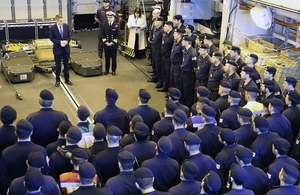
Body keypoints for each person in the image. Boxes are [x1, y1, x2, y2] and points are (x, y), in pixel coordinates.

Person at [0, 119, 48, 195]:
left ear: (15, 133)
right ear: (31, 132)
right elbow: (45, 172)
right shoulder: (41, 150)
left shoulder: (6, 152)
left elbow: (3, 179)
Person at [215, 129, 243, 193]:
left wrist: (223, 190)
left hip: (228, 185)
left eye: (219, 137)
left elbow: (219, 175)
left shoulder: (220, 156)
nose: (218, 137)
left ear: (224, 142)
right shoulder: (241, 148)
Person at [50, 14, 72, 87]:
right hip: (58, 49)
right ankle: (57, 80)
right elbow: (52, 38)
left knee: (66, 65)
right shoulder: (53, 28)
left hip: (66, 49)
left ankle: (67, 79)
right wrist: (59, 42)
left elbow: (69, 36)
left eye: (62, 20)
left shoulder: (66, 26)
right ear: (57, 21)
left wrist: (67, 41)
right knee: (58, 66)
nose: (62, 22)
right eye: (60, 21)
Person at [101, 11, 119, 75]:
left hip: (113, 45)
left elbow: (118, 35)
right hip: (106, 45)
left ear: (113, 18)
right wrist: (106, 42)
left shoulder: (116, 25)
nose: (109, 18)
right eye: (108, 17)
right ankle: (106, 70)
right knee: (107, 58)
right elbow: (102, 34)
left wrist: (113, 42)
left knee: (114, 58)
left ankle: (113, 70)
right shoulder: (104, 25)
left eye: (111, 17)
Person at [180, 35, 197, 108]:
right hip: (184, 72)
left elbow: (194, 65)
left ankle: (188, 106)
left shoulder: (192, 52)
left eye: (183, 41)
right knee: (184, 88)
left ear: (187, 42)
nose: (182, 42)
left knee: (188, 90)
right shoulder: (185, 50)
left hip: (189, 74)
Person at [148, 17, 164, 86]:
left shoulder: (161, 30)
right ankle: (155, 76)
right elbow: (153, 36)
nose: (154, 22)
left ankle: (159, 80)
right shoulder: (155, 29)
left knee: (158, 65)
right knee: (154, 63)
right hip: (153, 48)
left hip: (158, 49)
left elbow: (160, 40)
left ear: (160, 22)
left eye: (156, 21)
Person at [158, 21, 174, 92]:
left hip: (168, 57)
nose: (164, 27)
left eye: (165, 26)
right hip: (163, 56)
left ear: (170, 27)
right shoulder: (165, 34)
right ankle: (163, 85)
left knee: (168, 74)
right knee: (163, 71)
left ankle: (167, 87)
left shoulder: (172, 36)